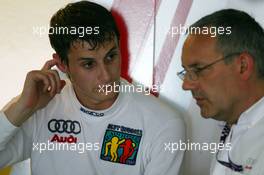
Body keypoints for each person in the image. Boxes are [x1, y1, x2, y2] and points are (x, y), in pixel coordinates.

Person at [0, 1, 185, 175]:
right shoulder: (38, 108)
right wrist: (21, 108)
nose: (106, 75)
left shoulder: (164, 123)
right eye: (89, 64)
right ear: (62, 65)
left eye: (111, 57)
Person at [178, 9, 264, 174]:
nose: (186, 85)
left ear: (243, 66)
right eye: (186, 73)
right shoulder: (236, 124)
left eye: (198, 69)